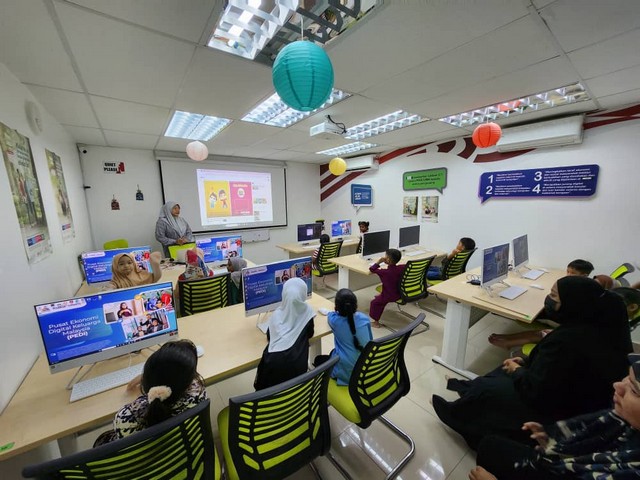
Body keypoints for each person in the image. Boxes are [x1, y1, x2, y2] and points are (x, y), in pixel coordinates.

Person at [432, 276, 632, 450]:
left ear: (573, 304)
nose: (548, 299)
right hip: (569, 393)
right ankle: (468, 390)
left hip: (558, 408)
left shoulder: (570, 341)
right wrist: (526, 361)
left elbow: (538, 389)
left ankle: (457, 414)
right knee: (501, 369)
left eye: (553, 296)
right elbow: (554, 367)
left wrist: (518, 370)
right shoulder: (600, 328)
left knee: (490, 387)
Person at [470, 354, 640, 480]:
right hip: (559, 465)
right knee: (492, 446)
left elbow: (538, 389)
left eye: (634, 390)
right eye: (627, 377)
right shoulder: (622, 421)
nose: (617, 385)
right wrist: (554, 442)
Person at [93, 340, 206, 446]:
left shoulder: (125, 418)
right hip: (184, 451)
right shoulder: (198, 392)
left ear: (145, 383)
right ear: (188, 383)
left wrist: (151, 377)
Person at [488, 259, 598, 350]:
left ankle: (509, 342)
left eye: (572, 273)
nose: (568, 275)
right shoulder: (582, 285)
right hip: (570, 318)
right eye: (567, 271)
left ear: (584, 276)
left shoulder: (579, 290)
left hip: (567, 322)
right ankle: (508, 337)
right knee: (535, 315)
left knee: (538, 328)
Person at [254, 278, 314, 390]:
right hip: (298, 382)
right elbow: (310, 334)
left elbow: (269, 336)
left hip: (271, 373)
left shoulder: (276, 315)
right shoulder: (308, 312)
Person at [314, 288, 373, 385]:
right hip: (365, 368)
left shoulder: (335, 322)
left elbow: (330, 315)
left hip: (347, 375)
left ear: (336, 308)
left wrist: (331, 312)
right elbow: (370, 340)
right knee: (333, 353)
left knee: (318, 360)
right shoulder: (365, 319)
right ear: (356, 305)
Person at [369, 248, 405, 328]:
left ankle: (375, 323)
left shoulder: (384, 272)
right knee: (380, 298)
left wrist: (379, 262)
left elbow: (372, 269)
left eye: (385, 256)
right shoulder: (401, 268)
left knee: (375, 303)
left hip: (390, 295)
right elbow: (406, 265)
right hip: (400, 292)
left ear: (388, 259)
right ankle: (381, 298)